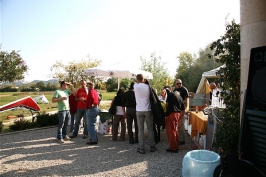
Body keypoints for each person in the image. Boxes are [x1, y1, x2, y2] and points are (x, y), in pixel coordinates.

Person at [134, 74, 156, 154]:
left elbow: (137, 82)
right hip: (148, 109)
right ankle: (152, 146)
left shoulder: (135, 86)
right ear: (144, 79)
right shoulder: (148, 87)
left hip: (139, 110)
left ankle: (141, 147)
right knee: (150, 128)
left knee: (140, 129)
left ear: (137, 79)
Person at [165, 89, 185, 153]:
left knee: (171, 131)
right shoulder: (180, 97)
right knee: (175, 130)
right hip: (178, 114)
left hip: (171, 114)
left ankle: (173, 148)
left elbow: (167, 105)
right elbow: (183, 110)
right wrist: (179, 117)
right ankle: (176, 144)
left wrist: (165, 113)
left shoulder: (170, 94)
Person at [173, 79, 189, 145]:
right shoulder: (174, 90)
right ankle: (178, 139)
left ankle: (182, 140)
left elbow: (187, 101)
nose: (179, 84)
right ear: (175, 84)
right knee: (177, 125)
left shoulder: (184, 90)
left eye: (180, 83)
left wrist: (185, 110)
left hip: (181, 110)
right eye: (178, 83)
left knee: (180, 125)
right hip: (176, 110)